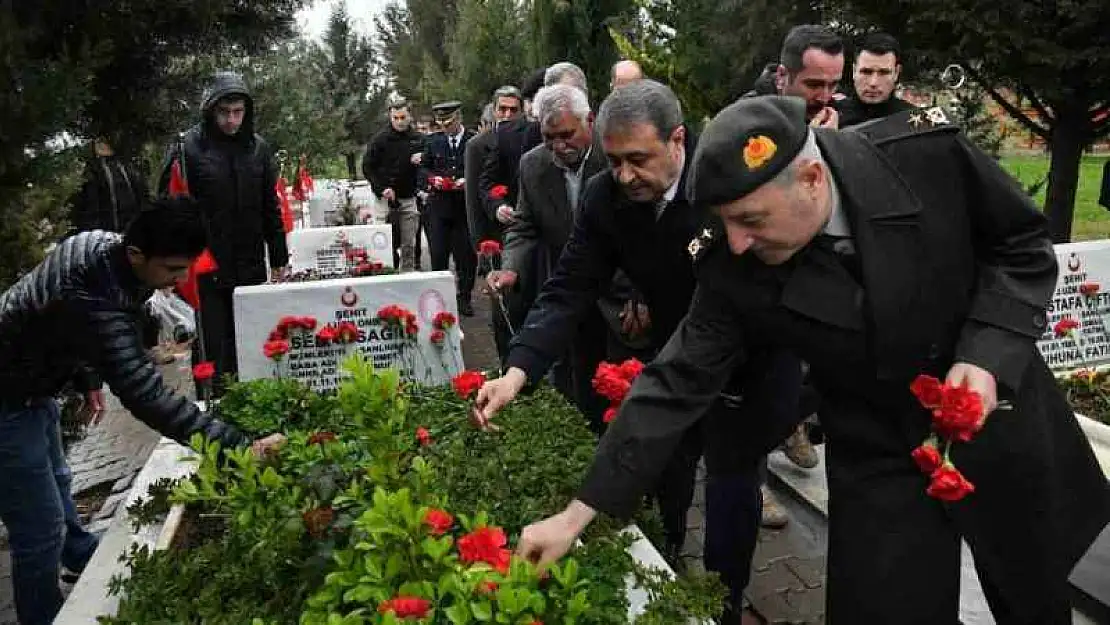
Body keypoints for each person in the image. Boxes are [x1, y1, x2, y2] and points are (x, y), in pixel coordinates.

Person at [511, 95, 1110, 625]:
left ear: (812, 178)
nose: (739, 242)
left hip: (995, 412)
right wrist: (578, 514)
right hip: (878, 445)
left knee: (1032, 594)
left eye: (750, 221)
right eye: (726, 223)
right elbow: (677, 378)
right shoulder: (731, 261)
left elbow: (1021, 247)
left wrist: (984, 355)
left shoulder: (925, 157)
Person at [474, 81, 805, 621]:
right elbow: (570, 286)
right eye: (614, 161)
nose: (625, 175)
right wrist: (516, 372)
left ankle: (723, 606)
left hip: (750, 369)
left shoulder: (724, 183)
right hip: (670, 362)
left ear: (677, 140)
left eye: (638, 160)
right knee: (663, 482)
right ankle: (668, 580)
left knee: (728, 498)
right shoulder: (608, 197)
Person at [0, 198, 286, 625]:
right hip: (7, 396)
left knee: (58, 478)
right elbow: (143, 393)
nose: (182, 278)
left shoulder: (103, 250)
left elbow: (57, 320)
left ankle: (78, 551)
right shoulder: (93, 291)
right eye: (172, 269)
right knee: (38, 531)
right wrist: (239, 446)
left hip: (31, 383)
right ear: (137, 254)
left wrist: (87, 379)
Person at [488, 84, 619, 432]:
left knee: (626, 390)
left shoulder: (616, 157)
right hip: (571, 293)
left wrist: (638, 294)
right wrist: (510, 269)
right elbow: (523, 225)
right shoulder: (533, 165)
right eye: (549, 137)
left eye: (567, 135)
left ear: (589, 121)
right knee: (583, 389)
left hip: (622, 299)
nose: (559, 146)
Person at [158, 71, 288, 394]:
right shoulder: (188, 149)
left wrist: (280, 256)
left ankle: (253, 401)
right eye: (224, 113)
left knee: (250, 340)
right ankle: (212, 406)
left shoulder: (258, 149)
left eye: (238, 112)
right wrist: (174, 264)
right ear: (210, 110)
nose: (232, 121)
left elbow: (269, 205)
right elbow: (170, 208)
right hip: (208, 267)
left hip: (250, 264)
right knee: (214, 346)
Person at [421, 101, 477, 316]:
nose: (445, 127)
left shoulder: (473, 140)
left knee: (466, 257)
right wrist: (432, 179)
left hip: (464, 208)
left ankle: (464, 297)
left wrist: (467, 180)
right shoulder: (433, 141)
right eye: (441, 123)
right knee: (438, 254)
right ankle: (440, 298)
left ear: (459, 118)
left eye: (449, 122)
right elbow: (423, 168)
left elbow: (481, 168)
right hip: (439, 207)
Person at [363, 96, 425, 271]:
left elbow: (430, 165)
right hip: (384, 198)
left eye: (403, 118)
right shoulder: (380, 139)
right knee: (381, 241)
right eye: (395, 118)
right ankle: (384, 273)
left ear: (409, 116)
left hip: (408, 197)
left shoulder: (419, 139)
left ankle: (408, 275)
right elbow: (367, 167)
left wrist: (423, 159)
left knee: (409, 244)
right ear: (390, 117)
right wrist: (382, 188)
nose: (399, 122)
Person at [68, 138, 148, 235]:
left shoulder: (127, 166)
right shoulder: (88, 169)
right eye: (99, 142)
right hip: (101, 233)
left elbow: (141, 198)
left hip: (130, 231)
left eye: (105, 141)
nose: (102, 145)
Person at [838, 32, 917, 128]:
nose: (873, 83)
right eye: (866, 72)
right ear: (854, 71)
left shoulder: (912, 121)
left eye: (883, 73)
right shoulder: (830, 116)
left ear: (896, 73)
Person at [775, 24, 845, 129]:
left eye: (833, 85)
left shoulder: (845, 115)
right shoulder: (750, 123)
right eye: (814, 85)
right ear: (781, 77)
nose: (824, 98)